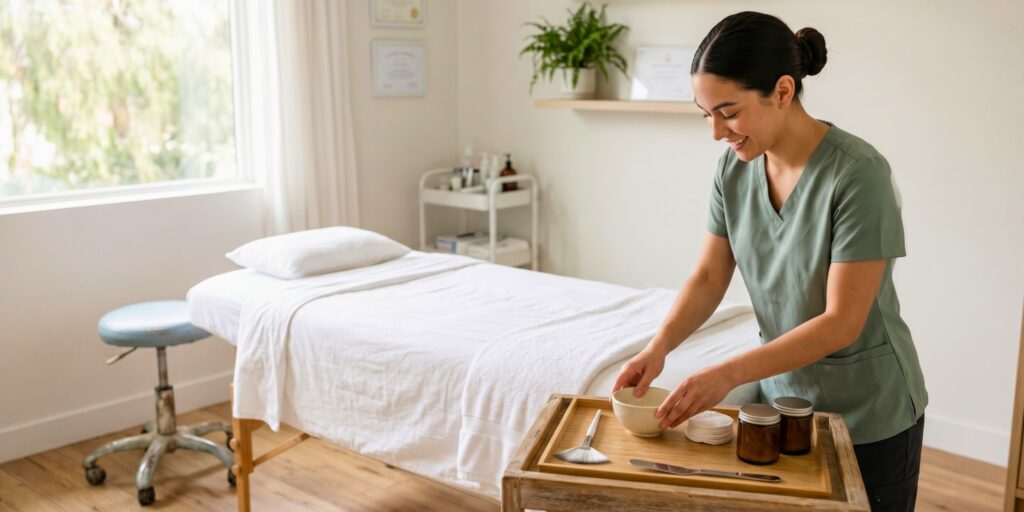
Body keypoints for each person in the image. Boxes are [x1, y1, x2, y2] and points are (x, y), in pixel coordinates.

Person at [611, 11, 928, 512]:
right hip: (777, 404)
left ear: (783, 90)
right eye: (706, 114)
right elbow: (711, 275)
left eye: (729, 112)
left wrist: (724, 374)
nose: (717, 132)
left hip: (868, 411)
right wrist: (660, 347)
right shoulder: (733, 171)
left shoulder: (858, 175)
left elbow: (843, 322)